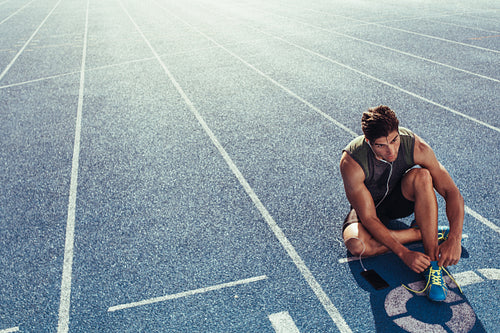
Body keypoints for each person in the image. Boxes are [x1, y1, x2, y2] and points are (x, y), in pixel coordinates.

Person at [339, 105, 464, 301]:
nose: (390, 151)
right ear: (368, 141)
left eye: (394, 140)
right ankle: (423, 232)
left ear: (398, 132)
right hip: (370, 208)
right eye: (381, 145)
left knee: (423, 176)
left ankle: (433, 266)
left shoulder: (416, 146)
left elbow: (451, 191)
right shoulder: (352, 162)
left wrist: (455, 239)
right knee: (357, 246)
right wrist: (403, 253)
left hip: (400, 200)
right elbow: (370, 218)